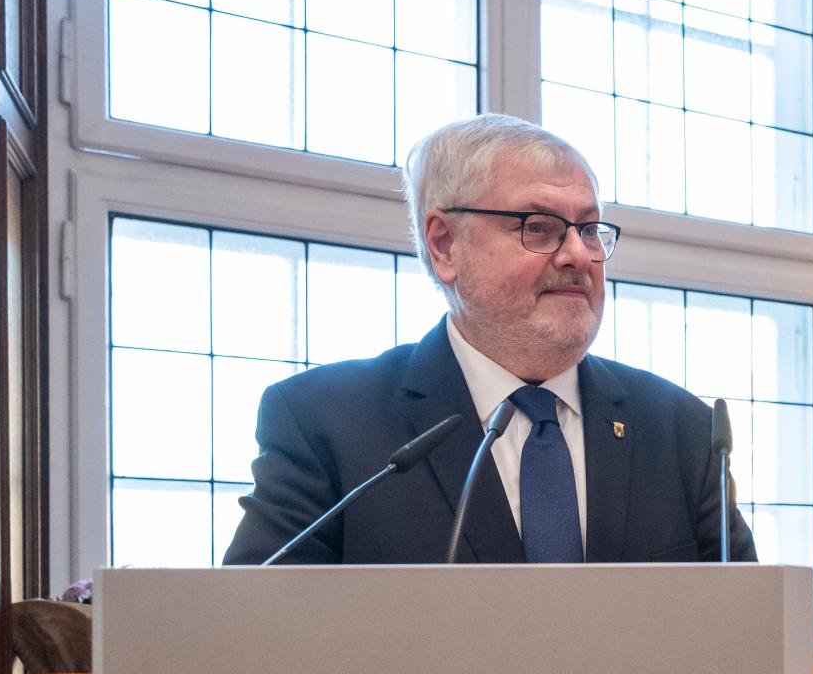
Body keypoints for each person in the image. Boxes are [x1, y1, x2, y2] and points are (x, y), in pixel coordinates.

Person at [223, 114, 754, 565]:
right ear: (444, 245)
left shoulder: (684, 432)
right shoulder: (326, 422)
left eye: (589, 229)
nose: (578, 255)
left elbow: (749, 631)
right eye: (538, 227)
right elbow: (256, 632)